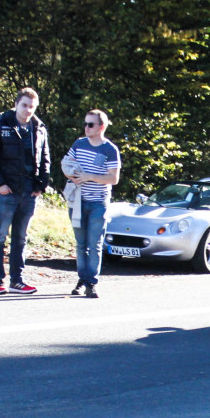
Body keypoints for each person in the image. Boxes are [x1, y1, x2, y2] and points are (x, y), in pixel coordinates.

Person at [0, 88, 51, 295]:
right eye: (24, 105)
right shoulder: (0, 125)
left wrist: (41, 186)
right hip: (6, 192)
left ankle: (17, 280)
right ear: (16, 104)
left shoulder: (39, 129)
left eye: (32, 106)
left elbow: (45, 159)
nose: (28, 110)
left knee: (20, 238)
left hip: (29, 193)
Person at [61, 109, 121, 298]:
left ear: (101, 127)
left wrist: (89, 177)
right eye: (85, 124)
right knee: (80, 244)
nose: (86, 128)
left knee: (94, 244)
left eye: (90, 124)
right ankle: (81, 279)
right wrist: (72, 175)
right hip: (77, 201)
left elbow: (114, 178)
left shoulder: (109, 149)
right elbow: (66, 164)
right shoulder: (79, 144)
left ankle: (91, 282)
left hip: (97, 203)